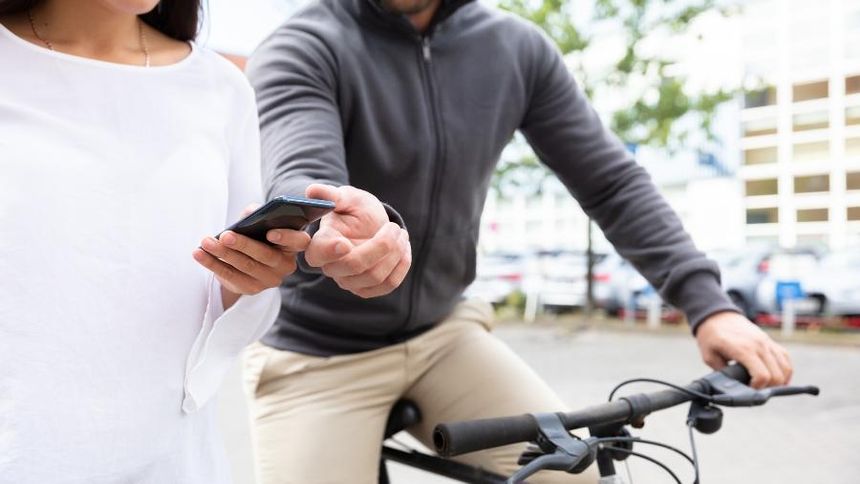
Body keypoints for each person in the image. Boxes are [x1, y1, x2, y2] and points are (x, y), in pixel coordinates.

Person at [243, 0, 794, 482]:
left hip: (444, 334)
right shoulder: (302, 47)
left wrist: (709, 307)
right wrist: (329, 233)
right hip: (318, 353)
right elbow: (302, 179)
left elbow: (611, 182)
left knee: (575, 473)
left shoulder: (516, 47)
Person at [0, 1, 312, 482]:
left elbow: (228, 312)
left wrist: (250, 279)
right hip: (24, 449)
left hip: (168, 454)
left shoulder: (219, 87)